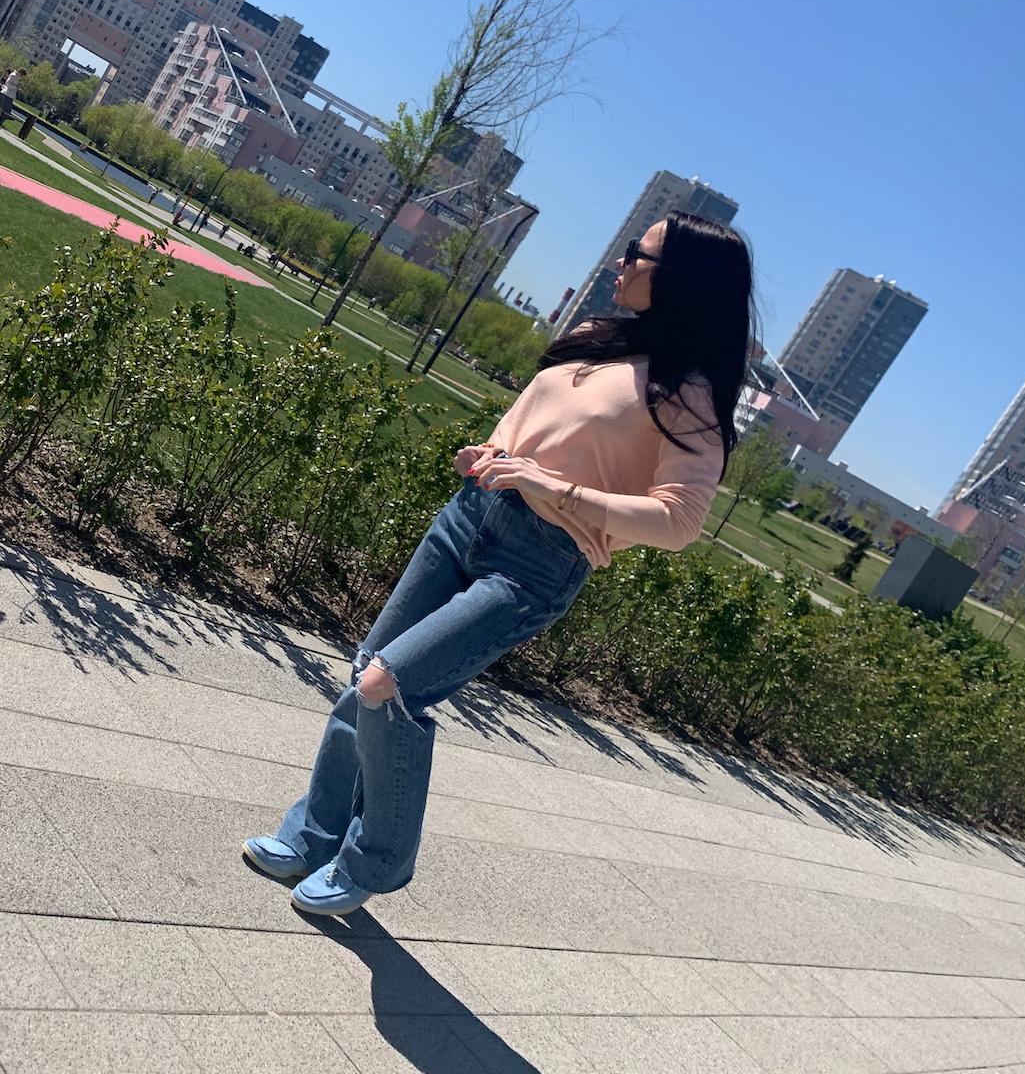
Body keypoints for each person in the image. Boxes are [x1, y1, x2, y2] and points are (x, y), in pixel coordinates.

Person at [244, 209, 754, 915]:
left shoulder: (688, 396)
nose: (621, 259)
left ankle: (375, 862)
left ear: (683, 280)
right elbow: (534, 426)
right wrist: (490, 454)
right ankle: (312, 836)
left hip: (539, 562)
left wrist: (557, 489)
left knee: (389, 684)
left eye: (638, 252)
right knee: (367, 674)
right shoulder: (598, 338)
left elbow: (679, 521)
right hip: (470, 516)